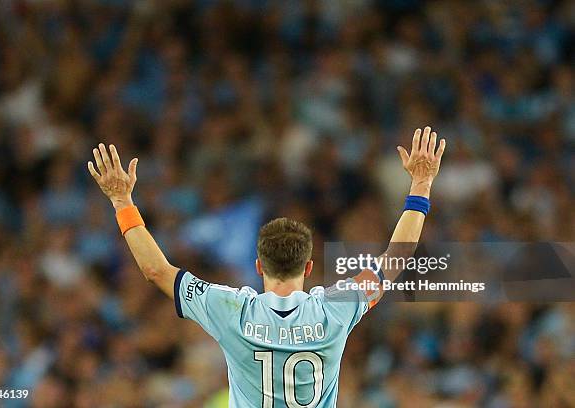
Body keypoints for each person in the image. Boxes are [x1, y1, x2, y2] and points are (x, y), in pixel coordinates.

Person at [87, 126, 446, 407]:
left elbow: (157, 271)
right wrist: (421, 185)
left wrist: (122, 201)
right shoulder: (338, 307)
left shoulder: (231, 309)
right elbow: (395, 259)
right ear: (308, 267)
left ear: (259, 266)